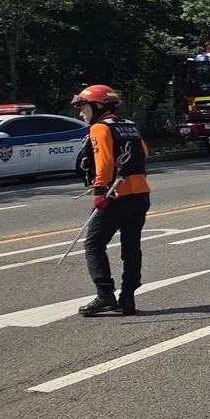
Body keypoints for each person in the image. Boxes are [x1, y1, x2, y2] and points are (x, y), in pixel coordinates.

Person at [72, 84, 151, 317]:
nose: (80, 113)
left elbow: (104, 161)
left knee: (93, 245)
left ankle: (105, 294)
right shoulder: (129, 126)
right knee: (131, 247)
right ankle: (128, 297)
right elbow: (144, 153)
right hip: (141, 194)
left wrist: (99, 190)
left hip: (116, 194)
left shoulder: (99, 128)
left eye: (82, 107)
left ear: (97, 106)